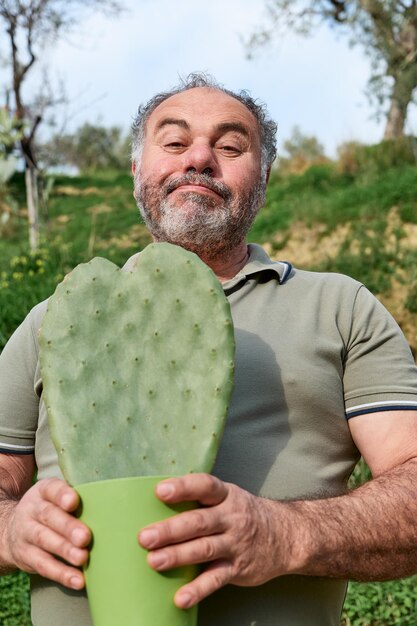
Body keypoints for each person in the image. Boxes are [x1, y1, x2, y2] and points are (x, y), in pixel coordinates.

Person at [1, 72, 417, 626]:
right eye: (173, 142)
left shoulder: (342, 308)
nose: (198, 158)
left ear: (263, 178)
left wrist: (287, 534)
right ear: (135, 171)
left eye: (229, 146)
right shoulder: (56, 320)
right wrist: (10, 532)